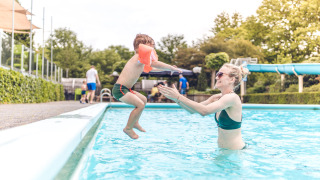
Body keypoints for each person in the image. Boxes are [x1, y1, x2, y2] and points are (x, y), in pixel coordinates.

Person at [159, 63, 249, 150]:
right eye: (217, 74)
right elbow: (193, 110)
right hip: (224, 152)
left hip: (236, 152)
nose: (217, 77)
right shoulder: (218, 98)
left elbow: (204, 111)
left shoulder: (232, 98)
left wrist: (179, 96)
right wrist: (175, 99)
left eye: (220, 74)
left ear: (231, 79)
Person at [112, 34, 182, 139]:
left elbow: (152, 68)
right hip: (120, 89)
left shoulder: (141, 60)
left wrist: (168, 69)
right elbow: (155, 63)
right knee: (139, 104)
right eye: (152, 45)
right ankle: (128, 128)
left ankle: (135, 123)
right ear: (143, 46)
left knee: (144, 100)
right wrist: (170, 67)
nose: (153, 48)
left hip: (127, 89)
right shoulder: (137, 57)